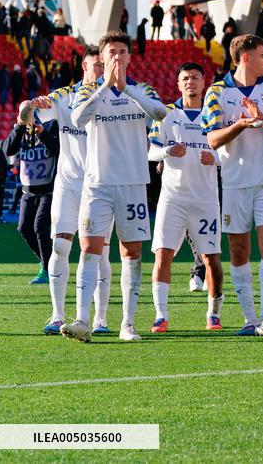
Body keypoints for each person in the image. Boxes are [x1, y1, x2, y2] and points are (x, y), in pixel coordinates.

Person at [60, 30, 169, 343]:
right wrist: (106, 86)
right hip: (98, 184)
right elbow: (78, 119)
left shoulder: (142, 89)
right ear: (102, 58)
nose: (117, 57)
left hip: (133, 183)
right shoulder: (89, 91)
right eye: (111, 53)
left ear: (130, 57)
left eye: (122, 52)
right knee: (89, 248)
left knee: (131, 252)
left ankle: (128, 323)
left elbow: (159, 113)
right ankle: (82, 319)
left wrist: (126, 90)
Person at [203, 34, 263, 337]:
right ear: (245, 57)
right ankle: (249, 318)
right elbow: (212, 139)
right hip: (234, 183)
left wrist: (262, 119)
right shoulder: (217, 92)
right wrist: (240, 125)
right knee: (239, 250)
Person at [34, 47, 110, 335]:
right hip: (68, 182)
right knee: (61, 245)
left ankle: (100, 318)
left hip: (101, 183)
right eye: (96, 65)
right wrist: (31, 105)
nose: (100, 70)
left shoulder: (114, 98)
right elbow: (36, 109)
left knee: (99, 252)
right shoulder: (64, 95)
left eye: (104, 65)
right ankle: (57, 314)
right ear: (84, 66)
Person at [147, 63, 223, 333]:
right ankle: (160, 315)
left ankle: (213, 313)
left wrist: (215, 158)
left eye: (195, 78)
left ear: (204, 83)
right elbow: (151, 153)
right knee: (163, 254)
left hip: (205, 199)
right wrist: (168, 151)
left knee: (211, 258)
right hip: (173, 198)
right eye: (185, 78)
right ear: (178, 84)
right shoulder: (166, 114)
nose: (190, 82)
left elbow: (231, 152)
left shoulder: (214, 113)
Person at [3, 99, 59, 285]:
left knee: (40, 228)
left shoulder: (50, 126)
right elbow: (8, 149)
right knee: (24, 229)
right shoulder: (20, 131)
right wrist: (19, 126)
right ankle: (48, 263)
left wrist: (42, 134)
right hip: (28, 191)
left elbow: (59, 149)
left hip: (47, 189)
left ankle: (48, 269)